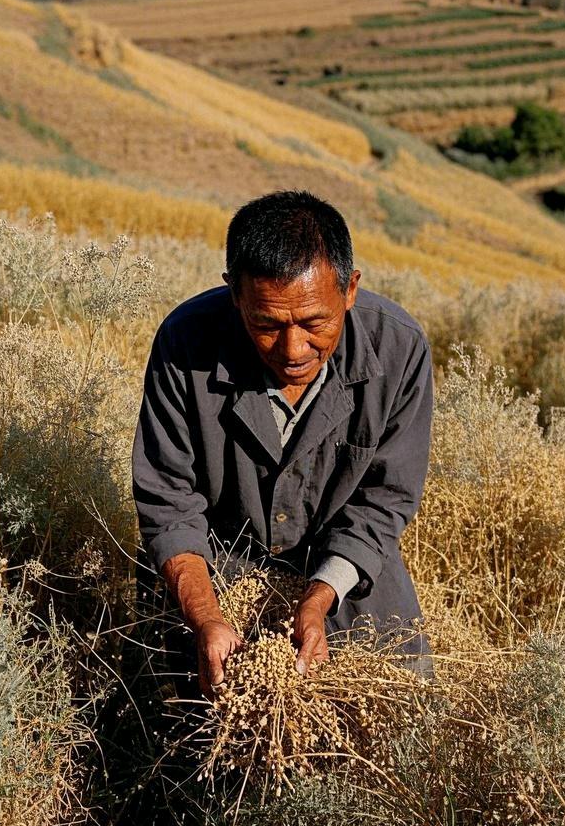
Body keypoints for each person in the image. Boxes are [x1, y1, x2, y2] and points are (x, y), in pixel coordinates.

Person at [131, 189, 434, 698]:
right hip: (218, 559)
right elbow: (168, 502)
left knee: (401, 700)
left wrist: (318, 598)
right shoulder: (184, 344)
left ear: (351, 288)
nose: (293, 350)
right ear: (235, 295)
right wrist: (206, 615)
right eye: (266, 324)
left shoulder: (400, 349)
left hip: (345, 562)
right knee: (181, 710)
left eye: (315, 323)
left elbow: (385, 500)